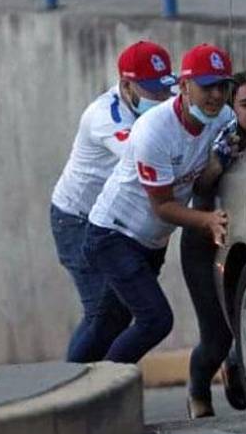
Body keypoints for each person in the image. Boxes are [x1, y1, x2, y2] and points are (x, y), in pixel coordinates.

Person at [76, 45, 237, 365]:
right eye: (207, 86)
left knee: (106, 327)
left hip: (151, 242)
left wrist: (218, 165)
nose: (216, 95)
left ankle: (72, 390)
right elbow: (162, 206)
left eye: (222, 86)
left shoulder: (224, 119)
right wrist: (207, 221)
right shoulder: (154, 131)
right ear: (184, 86)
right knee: (156, 320)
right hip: (114, 235)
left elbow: (199, 183)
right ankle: (107, 387)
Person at [50, 41, 176, 363]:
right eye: (151, 91)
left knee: (120, 313)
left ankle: (92, 381)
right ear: (126, 85)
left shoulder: (163, 104)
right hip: (77, 219)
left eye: (165, 88)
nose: (161, 98)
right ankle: (72, 389)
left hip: (120, 222)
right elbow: (144, 157)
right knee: (104, 314)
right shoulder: (106, 116)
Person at [182, 71, 246, 419]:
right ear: (233, 110)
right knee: (216, 337)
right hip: (207, 243)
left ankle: (241, 365)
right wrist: (219, 162)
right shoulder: (226, 140)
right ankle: (198, 390)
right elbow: (202, 192)